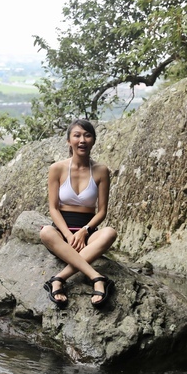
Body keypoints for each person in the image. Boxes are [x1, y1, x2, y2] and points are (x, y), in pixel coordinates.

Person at [39, 119, 118, 308]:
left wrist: (84, 231)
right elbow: (53, 208)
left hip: (88, 233)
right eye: (77, 135)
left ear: (93, 140)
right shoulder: (57, 169)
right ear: (69, 141)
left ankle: (58, 279)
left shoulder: (101, 170)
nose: (82, 140)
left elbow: (102, 211)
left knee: (110, 233)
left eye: (87, 135)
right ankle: (97, 278)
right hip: (62, 230)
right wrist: (68, 235)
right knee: (45, 232)